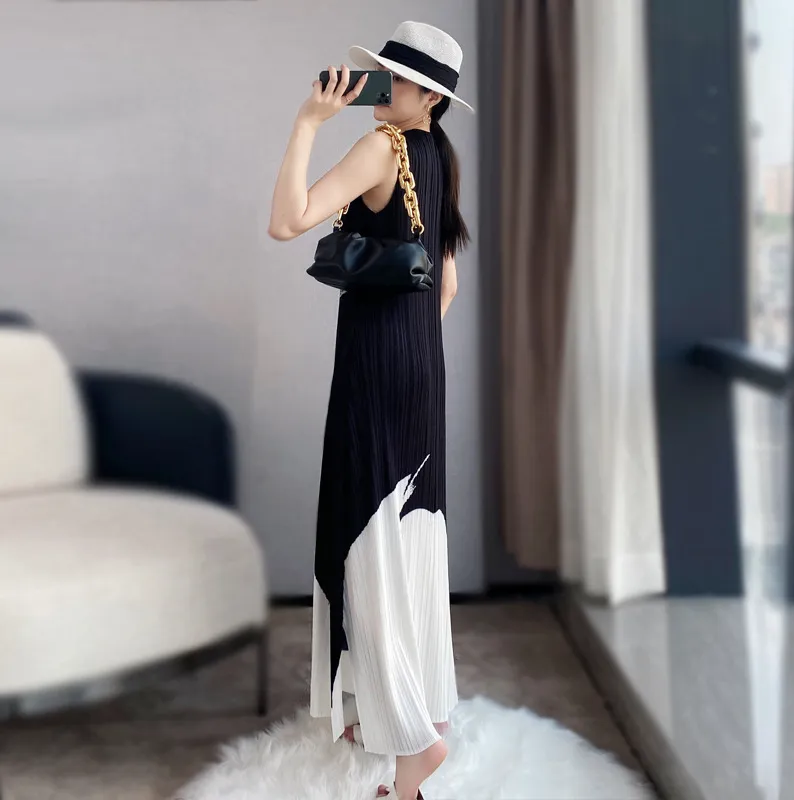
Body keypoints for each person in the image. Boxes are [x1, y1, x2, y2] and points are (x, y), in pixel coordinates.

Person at [269, 20, 474, 800]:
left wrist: (306, 122)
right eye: (383, 74)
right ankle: (416, 704)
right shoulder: (439, 156)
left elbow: (286, 220)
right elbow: (446, 285)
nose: (384, 88)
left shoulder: (379, 148)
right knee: (409, 533)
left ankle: (413, 746)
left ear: (430, 96)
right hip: (421, 367)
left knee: (366, 540)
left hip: (373, 370)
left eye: (398, 79)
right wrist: (409, 343)